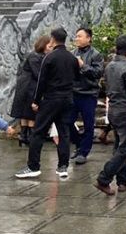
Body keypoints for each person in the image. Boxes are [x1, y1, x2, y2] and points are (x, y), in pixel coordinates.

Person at [15, 27, 80, 180]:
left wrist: (36, 100)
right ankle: (63, 166)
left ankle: (33, 166)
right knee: (64, 132)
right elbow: (77, 77)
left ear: (53, 39)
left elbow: (41, 82)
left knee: (38, 132)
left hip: (51, 99)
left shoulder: (49, 58)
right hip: (67, 98)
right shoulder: (72, 58)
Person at [94, 35, 126, 195]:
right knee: (125, 148)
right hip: (124, 110)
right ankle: (104, 179)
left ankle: (123, 180)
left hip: (113, 109)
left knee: (119, 144)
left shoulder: (109, 66)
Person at [67, 27, 104, 165]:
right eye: (76, 36)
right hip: (74, 92)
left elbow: (98, 73)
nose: (77, 38)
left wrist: (83, 66)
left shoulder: (96, 54)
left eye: (80, 36)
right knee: (68, 121)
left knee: (89, 125)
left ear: (88, 38)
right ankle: (79, 144)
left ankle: (83, 152)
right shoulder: (73, 53)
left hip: (89, 94)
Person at [9, 34, 50, 147]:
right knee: (30, 113)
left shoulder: (35, 56)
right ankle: (29, 136)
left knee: (25, 113)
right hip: (29, 86)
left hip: (26, 85)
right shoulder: (35, 56)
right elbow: (38, 74)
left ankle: (24, 136)